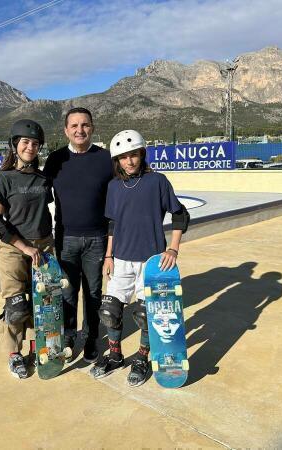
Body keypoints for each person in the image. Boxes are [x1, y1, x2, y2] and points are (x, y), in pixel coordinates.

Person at [90, 129, 190, 387]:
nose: (129, 161)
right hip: (121, 259)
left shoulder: (157, 181)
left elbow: (179, 215)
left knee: (146, 314)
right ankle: (115, 356)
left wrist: (173, 249)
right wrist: (109, 255)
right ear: (117, 161)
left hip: (151, 260)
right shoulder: (113, 186)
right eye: (123, 157)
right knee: (110, 311)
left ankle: (143, 358)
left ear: (142, 154)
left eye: (133, 155)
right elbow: (112, 223)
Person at [43, 107, 113, 363]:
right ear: (66, 131)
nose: (79, 130)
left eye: (85, 125)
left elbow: (121, 194)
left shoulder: (106, 159)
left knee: (93, 292)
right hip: (65, 239)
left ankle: (92, 336)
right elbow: (40, 198)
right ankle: (70, 335)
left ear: (92, 127)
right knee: (67, 292)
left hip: (97, 239)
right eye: (74, 126)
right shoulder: (55, 160)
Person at [0, 119, 54, 379]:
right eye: (26, 142)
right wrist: (23, 246)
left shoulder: (42, 178)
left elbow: (43, 210)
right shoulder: (3, 179)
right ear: (15, 145)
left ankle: (38, 349)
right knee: (16, 306)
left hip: (44, 245)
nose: (31, 147)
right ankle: (14, 355)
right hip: (13, 248)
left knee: (43, 303)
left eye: (35, 144)